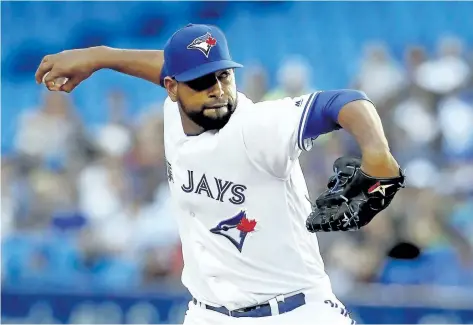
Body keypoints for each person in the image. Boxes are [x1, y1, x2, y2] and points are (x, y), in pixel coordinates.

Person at [35, 23, 401, 325]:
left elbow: (345, 101)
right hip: (209, 314)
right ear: (171, 88)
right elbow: (165, 66)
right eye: (202, 81)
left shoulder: (256, 126)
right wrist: (99, 57)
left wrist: (379, 158)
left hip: (295, 312)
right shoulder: (172, 113)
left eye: (223, 76)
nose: (217, 91)